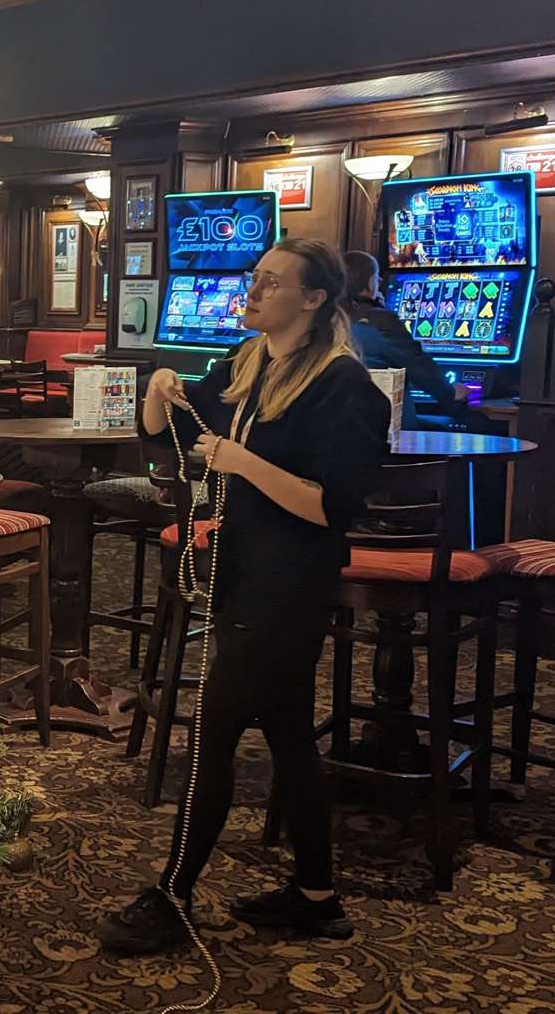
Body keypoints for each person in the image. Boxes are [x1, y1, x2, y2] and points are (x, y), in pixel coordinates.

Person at [97, 239, 390, 954]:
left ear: (314, 299)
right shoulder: (245, 364)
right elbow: (161, 431)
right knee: (290, 737)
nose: (252, 292)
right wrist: (157, 387)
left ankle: (172, 894)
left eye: (269, 282)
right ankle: (317, 897)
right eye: (253, 279)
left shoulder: (343, 386)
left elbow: (332, 506)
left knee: (211, 737)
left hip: (289, 581)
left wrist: (243, 463)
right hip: (242, 570)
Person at [340, 250, 469, 427]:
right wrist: (449, 392)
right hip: (385, 428)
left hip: (348, 423)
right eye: (377, 277)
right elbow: (419, 366)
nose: (380, 282)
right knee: (470, 423)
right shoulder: (381, 320)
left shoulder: (332, 318)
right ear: (370, 283)